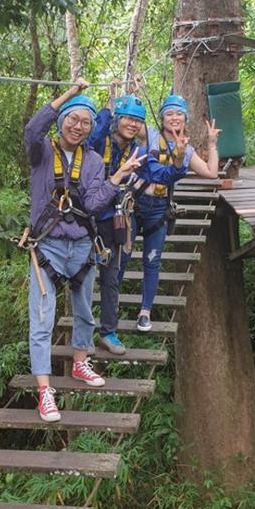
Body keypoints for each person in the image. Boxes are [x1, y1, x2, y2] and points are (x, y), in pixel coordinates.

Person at [24, 80, 141, 422]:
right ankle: (45, 391)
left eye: (85, 122)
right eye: (72, 120)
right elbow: (33, 128)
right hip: (47, 245)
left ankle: (79, 363)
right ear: (61, 122)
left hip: (81, 244)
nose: (78, 127)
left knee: (84, 312)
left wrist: (118, 174)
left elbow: (91, 203)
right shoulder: (42, 151)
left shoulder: (92, 160)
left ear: (92, 127)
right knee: (42, 319)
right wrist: (70, 95)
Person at [123, 94, 220, 332]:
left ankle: (145, 312)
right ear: (162, 118)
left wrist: (211, 144)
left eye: (179, 114)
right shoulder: (150, 135)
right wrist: (135, 91)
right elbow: (131, 124)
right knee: (122, 257)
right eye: (169, 114)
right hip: (134, 204)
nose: (174, 118)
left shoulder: (186, 151)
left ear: (185, 118)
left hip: (158, 209)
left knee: (152, 261)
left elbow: (211, 173)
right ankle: (109, 309)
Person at [85, 94, 147, 355]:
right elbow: (93, 132)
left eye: (137, 121)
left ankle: (108, 331)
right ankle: (83, 335)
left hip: (114, 219)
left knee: (111, 278)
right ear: (118, 119)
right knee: (82, 277)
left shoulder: (134, 149)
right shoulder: (101, 139)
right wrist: (106, 109)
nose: (132, 125)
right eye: (128, 119)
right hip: (86, 218)